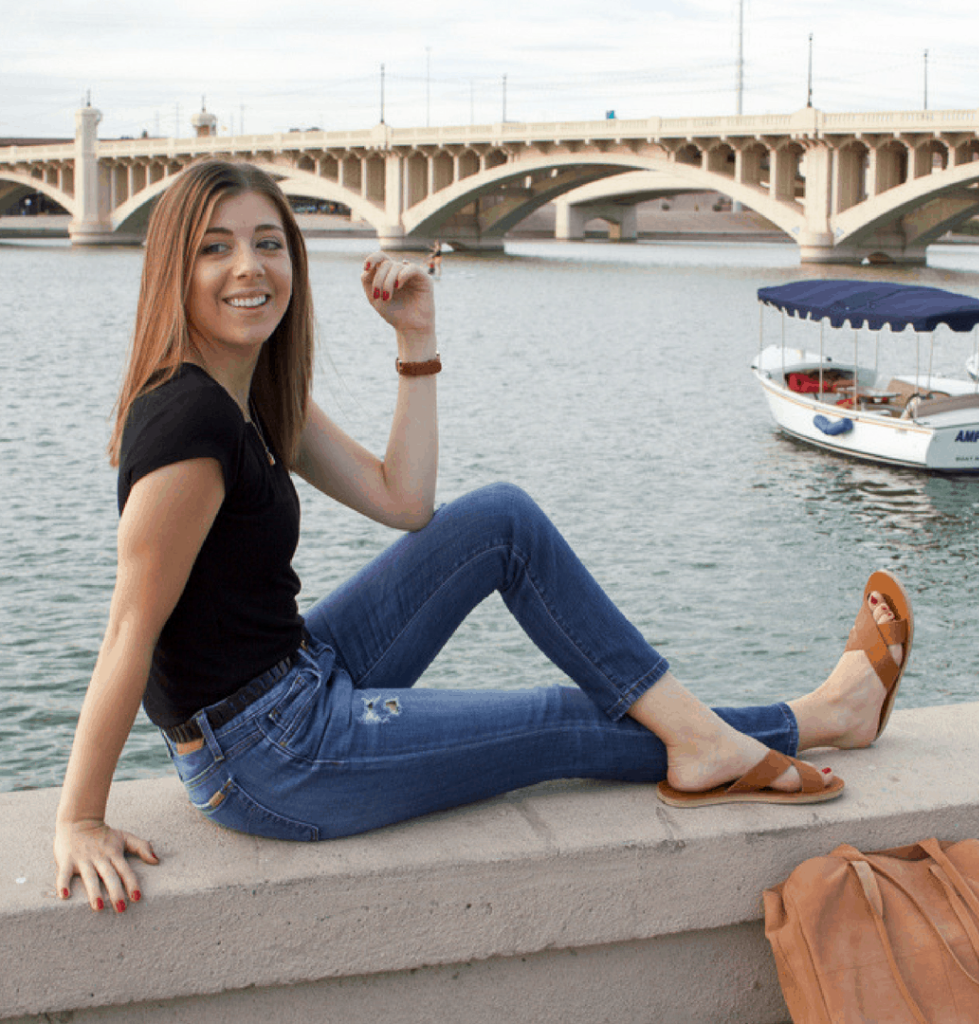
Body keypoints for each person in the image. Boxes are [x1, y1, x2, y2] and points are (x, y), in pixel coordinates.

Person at [53, 160, 912, 914]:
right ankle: (813, 719)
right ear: (174, 267)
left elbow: (405, 502)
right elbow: (131, 628)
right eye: (215, 247)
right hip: (270, 759)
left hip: (300, 675)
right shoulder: (188, 422)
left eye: (269, 243)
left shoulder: (255, 391)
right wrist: (80, 819)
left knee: (496, 520)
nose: (249, 267)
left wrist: (417, 342)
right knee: (556, 723)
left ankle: (724, 733)